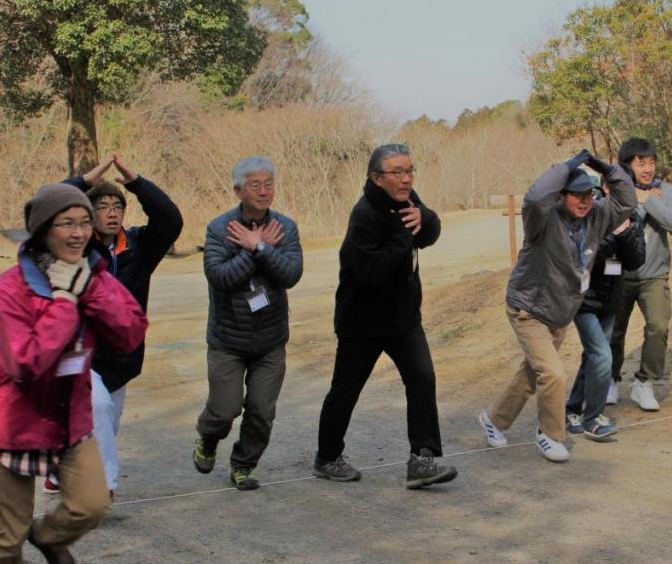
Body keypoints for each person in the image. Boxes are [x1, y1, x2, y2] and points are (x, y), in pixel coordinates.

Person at [0, 183, 147, 564]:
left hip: (69, 417)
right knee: (7, 538)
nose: (78, 233)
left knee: (92, 504)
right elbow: (26, 362)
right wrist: (64, 306)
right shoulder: (9, 288)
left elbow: (130, 333)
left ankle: (49, 538)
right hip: (11, 424)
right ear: (43, 231)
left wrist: (87, 290)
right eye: (66, 223)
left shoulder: (90, 274)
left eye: (85, 223)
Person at [314, 143, 457, 489]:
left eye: (410, 171)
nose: (406, 178)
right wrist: (403, 235)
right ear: (377, 178)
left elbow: (430, 233)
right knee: (346, 390)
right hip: (361, 322)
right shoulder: (363, 216)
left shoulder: (407, 199)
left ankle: (422, 460)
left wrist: (426, 219)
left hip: (404, 318)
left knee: (422, 379)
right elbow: (371, 273)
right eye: (398, 172)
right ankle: (327, 457)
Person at [478, 150, 635, 463]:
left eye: (588, 194)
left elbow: (627, 200)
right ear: (561, 196)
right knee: (553, 373)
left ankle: (493, 419)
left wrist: (605, 168)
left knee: (534, 373)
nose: (584, 201)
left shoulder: (596, 217)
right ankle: (549, 434)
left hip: (560, 312)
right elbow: (536, 197)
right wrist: (566, 166)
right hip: (529, 309)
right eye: (576, 195)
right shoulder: (543, 218)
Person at [43, 155, 182, 497]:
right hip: (78, 352)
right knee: (99, 408)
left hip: (122, 358)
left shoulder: (139, 247)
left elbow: (170, 219)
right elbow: (45, 206)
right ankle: (102, 487)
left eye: (117, 205)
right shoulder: (72, 246)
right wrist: (85, 182)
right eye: (102, 205)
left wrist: (136, 183)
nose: (111, 211)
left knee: (104, 422)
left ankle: (60, 470)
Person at [192, 156, 303, 490]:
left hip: (270, 339)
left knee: (261, 410)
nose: (264, 191)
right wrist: (252, 252)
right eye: (255, 185)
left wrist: (261, 246)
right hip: (228, 339)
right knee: (225, 409)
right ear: (238, 189)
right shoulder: (219, 228)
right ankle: (208, 438)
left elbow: (291, 274)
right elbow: (220, 276)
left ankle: (243, 464)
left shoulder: (285, 226)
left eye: (268, 184)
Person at [607, 138, 672, 412]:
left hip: (654, 274)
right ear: (627, 165)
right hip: (618, 274)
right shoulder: (614, 191)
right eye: (641, 163)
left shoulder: (665, 191)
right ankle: (611, 378)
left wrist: (649, 201)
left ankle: (645, 383)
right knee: (613, 332)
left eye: (651, 162)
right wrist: (634, 198)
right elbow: (608, 223)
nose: (648, 168)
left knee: (659, 326)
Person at [565, 208, 645, 440]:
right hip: (583, 299)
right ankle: (593, 418)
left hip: (610, 300)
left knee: (593, 355)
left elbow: (635, 260)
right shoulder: (590, 215)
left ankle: (572, 409)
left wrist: (625, 232)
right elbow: (590, 254)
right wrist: (613, 234)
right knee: (602, 355)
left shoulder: (633, 218)